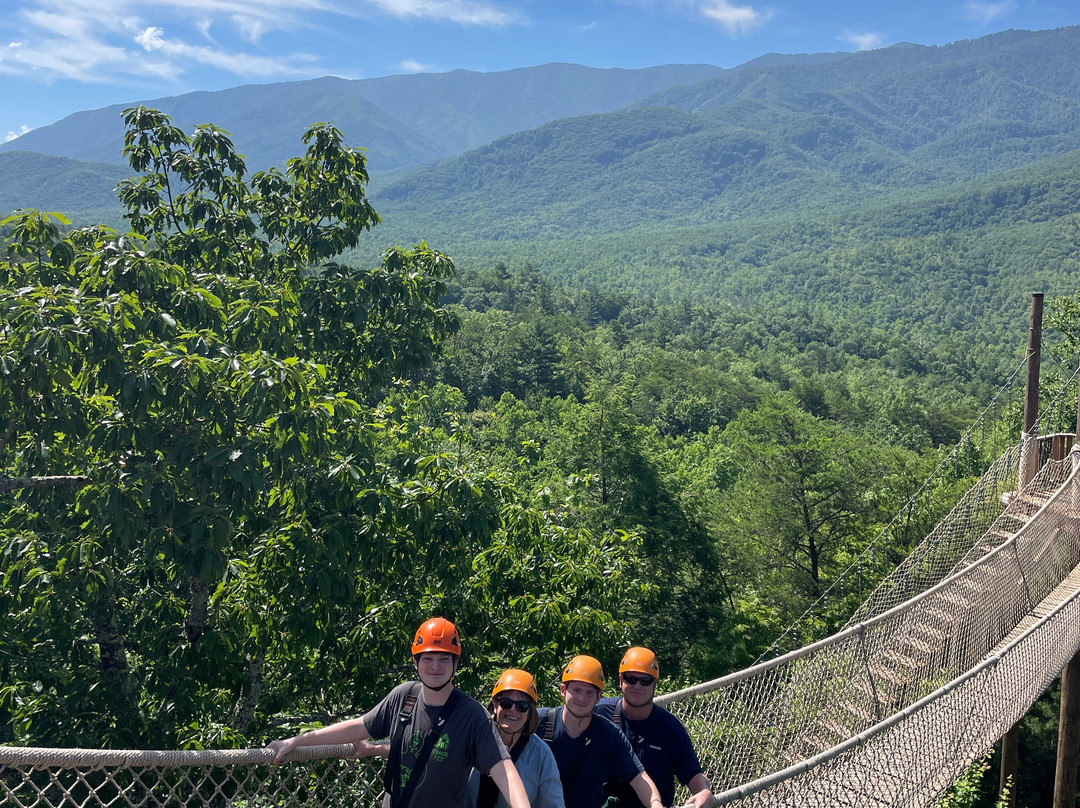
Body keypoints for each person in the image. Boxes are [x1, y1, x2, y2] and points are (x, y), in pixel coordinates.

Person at [266, 617, 531, 808]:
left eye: (444, 658)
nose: (435, 666)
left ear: (456, 663)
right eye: (427, 658)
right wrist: (298, 740)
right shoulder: (404, 697)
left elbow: (504, 769)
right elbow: (359, 726)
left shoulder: (471, 716)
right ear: (415, 661)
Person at [536, 654, 663, 808]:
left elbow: (639, 779)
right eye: (576, 690)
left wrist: (655, 804)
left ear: (599, 697)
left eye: (589, 692)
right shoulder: (538, 722)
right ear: (563, 690)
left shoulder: (608, 735)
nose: (582, 698)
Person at [594, 647, 712, 808]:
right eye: (631, 678)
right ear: (621, 680)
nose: (637, 686)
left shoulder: (669, 727)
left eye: (645, 681)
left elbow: (692, 773)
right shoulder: (597, 713)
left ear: (655, 683)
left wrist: (704, 792)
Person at [466, 668, 566, 808]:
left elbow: (552, 803)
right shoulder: (472, 740)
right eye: (506, 703)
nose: (513, 710)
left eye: (522, 706)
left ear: (530, 712)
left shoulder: (540, 754)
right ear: (495, 704)